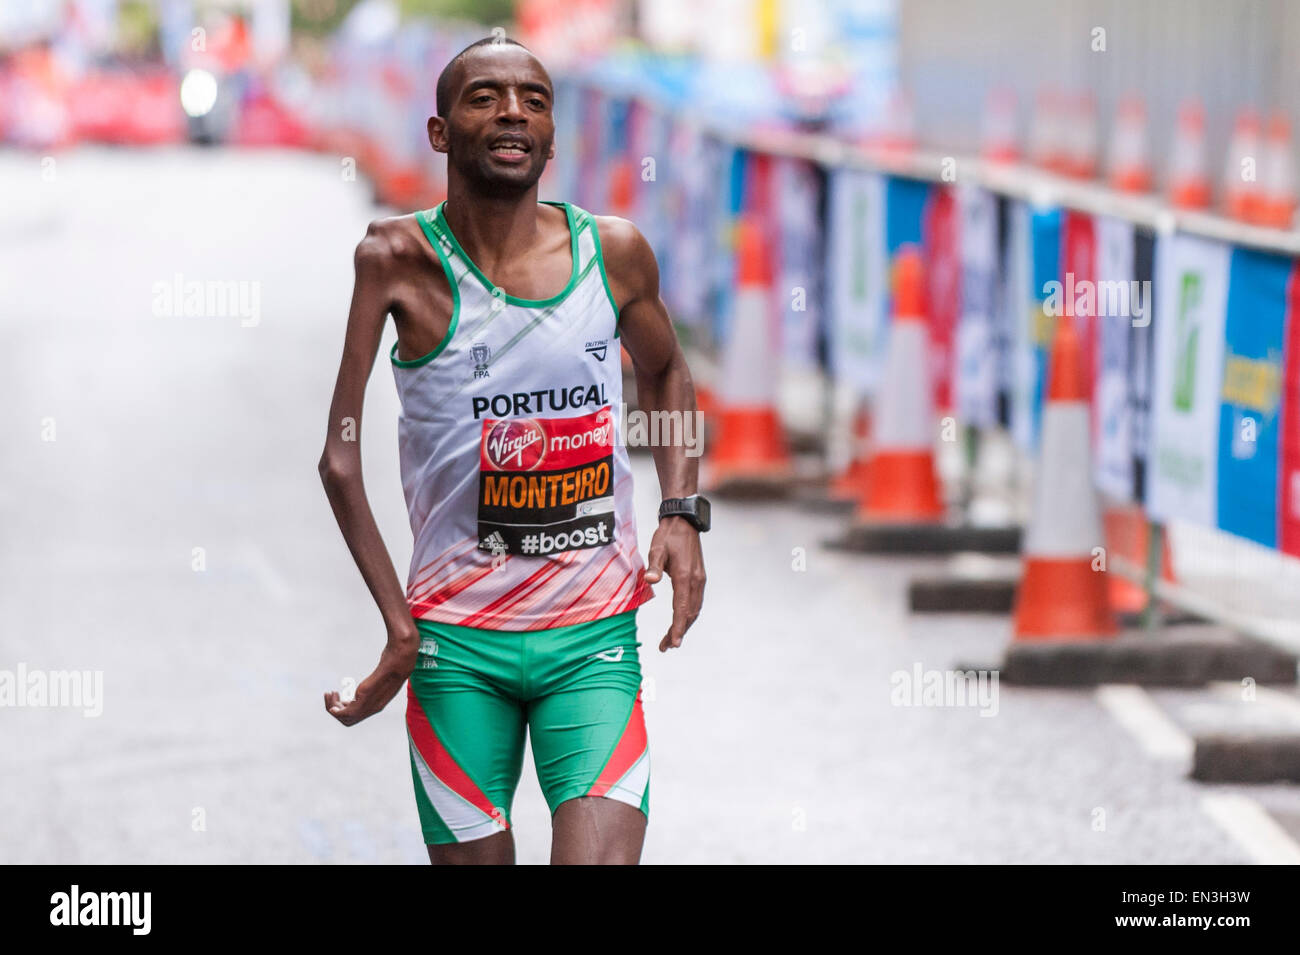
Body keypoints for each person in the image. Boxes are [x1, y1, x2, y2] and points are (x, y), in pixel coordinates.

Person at [317, 35, 710, 865]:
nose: (511, 112)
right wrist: (397, 630)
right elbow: (339, 458)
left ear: (553, 137)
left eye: (533, 99)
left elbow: (668, 369)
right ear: (438, 130)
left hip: (592, 639)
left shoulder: (614, 253)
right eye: (485, 96)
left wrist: (681, 510)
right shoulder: (394, 260)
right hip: (455, 646)